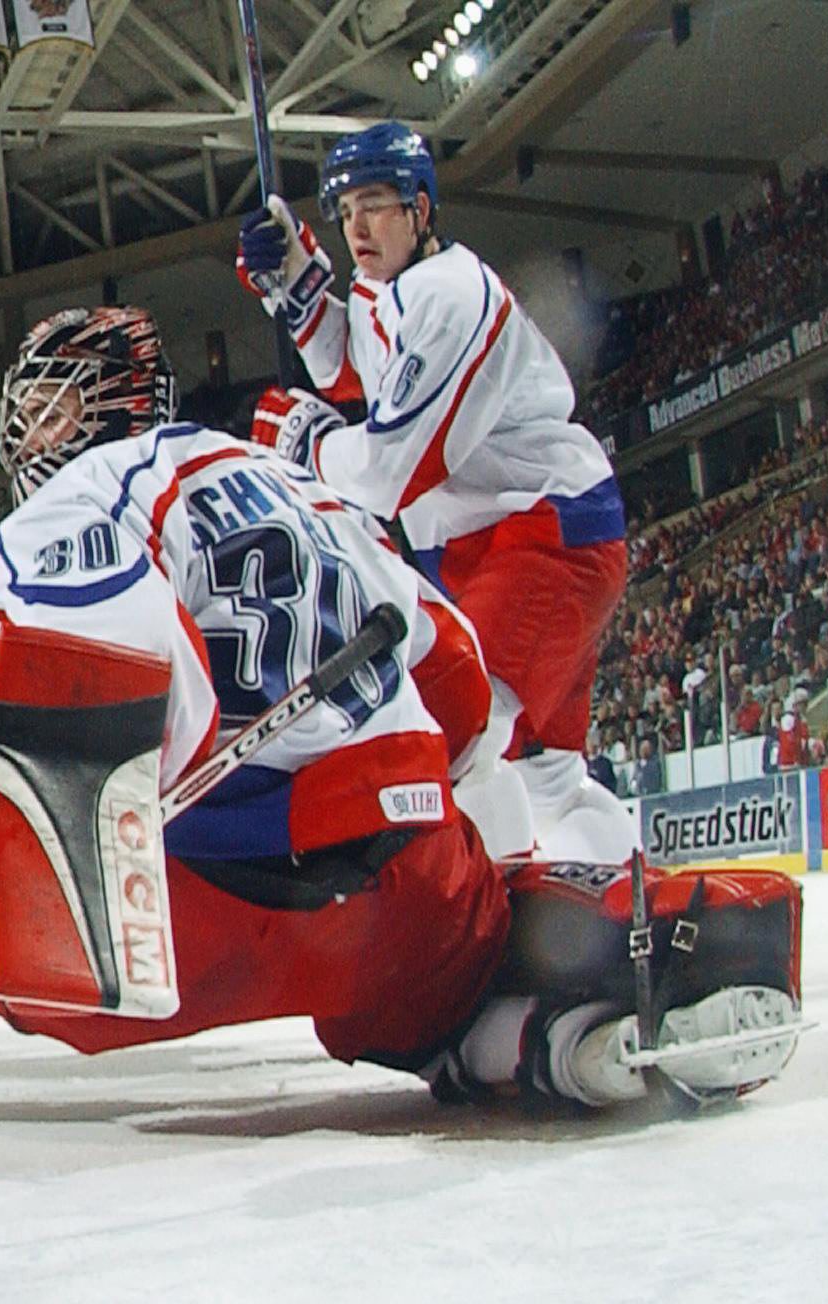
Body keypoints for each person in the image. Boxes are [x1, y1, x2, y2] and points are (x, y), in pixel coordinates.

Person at [0, 304, 801, 1109]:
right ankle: (583, 1050)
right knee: (417, 1010)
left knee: (16, 974)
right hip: (412, 874)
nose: (32, 435)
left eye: (52, 409)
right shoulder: (297, 483)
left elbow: (124, 680)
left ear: (113, 404)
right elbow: (459, 678)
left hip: (230, 902)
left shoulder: (76, 499)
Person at [237, 121, 635, 863]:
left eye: (377, 203)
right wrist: (294, 281)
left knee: (457, 737)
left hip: (540, 538)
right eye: (345, 207)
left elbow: (388, 473)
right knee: (546, 778)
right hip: (498, 540)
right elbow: (351, 367)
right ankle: (611, 898)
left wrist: (305, 445)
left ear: (421, 209)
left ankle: (489, 918)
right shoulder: (396, 287)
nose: (356, 223)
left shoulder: (451, 298)